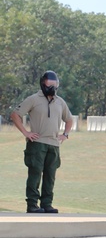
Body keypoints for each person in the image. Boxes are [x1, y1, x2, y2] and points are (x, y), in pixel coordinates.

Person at [10, 70, 74, 214]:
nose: (52, 87)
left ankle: (47, 204)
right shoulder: (34, 99)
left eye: (55, 84)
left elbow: (69, 119)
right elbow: (15, 115)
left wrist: (65, 134)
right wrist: (26, 132)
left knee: (50, 175)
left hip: (54, 145)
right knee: (35, 174)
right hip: (37, 144)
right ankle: (32, 205)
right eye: (49, 84)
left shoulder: (60, 102)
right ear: (43, 83)